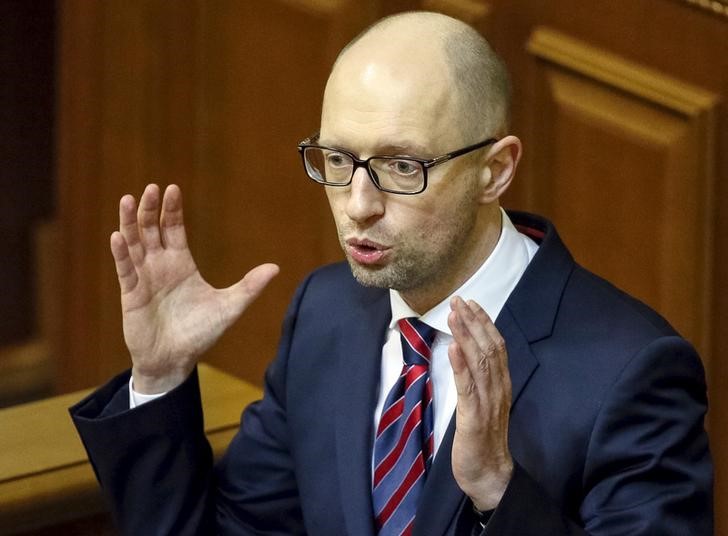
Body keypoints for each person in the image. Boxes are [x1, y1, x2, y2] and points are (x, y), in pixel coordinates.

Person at [70, 11, 712, 536]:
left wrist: (498, 493)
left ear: (495, 170)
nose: (358, 205)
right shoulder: (327, 313)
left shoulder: (631, 370)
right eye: (338, 159)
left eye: (403, 167)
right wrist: (159, 378)